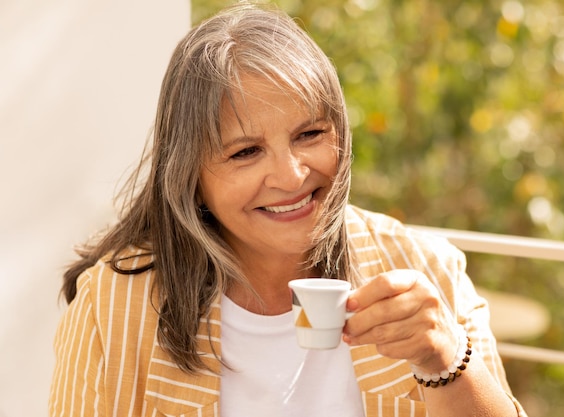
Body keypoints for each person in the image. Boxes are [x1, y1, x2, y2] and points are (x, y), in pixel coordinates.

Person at [49, 3, 527, 416]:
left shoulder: (426, 269)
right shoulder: (110, 308)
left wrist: (445, 357)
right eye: (244, 152)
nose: (292, 175)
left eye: (310, 134)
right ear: (190, 181)